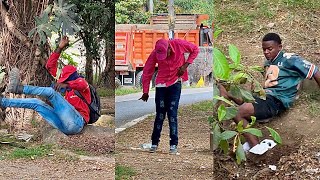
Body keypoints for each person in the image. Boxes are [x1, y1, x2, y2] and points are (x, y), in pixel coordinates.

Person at [218, 32, 320, 151]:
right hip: (264, 97)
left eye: (270, 49)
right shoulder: (268, 63)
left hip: (276, 101)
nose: (266, 52)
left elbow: (315, 71)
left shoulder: (290, 59)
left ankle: (256, 147)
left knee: (235, 112)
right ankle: (223, 105)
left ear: (279, 47)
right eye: (264, 49)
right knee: (233, 93)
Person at [0, 36, 91, 135]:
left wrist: (66, 84)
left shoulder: (81, 84)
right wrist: (60, 48)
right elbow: (49, 66)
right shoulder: (62, 84)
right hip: (63, 125)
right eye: (62, 79)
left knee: (51, 92)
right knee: (35, 102)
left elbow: (82, 84)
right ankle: (3, 102)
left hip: (77, 123)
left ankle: (19, 88)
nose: (61, 81)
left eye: (65, 79)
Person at [139, 38, 199, 154]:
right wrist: (145, 91)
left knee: (172, 114)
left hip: (175, 83)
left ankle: (173, 145)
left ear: (169, 49)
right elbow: (147, 71)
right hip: (161, 84)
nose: (164, 57)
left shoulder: (178, 44)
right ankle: (154, 143)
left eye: (166, 54)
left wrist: (185, 66)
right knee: (160, 115)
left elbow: (195, 50)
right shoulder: (155, 53)